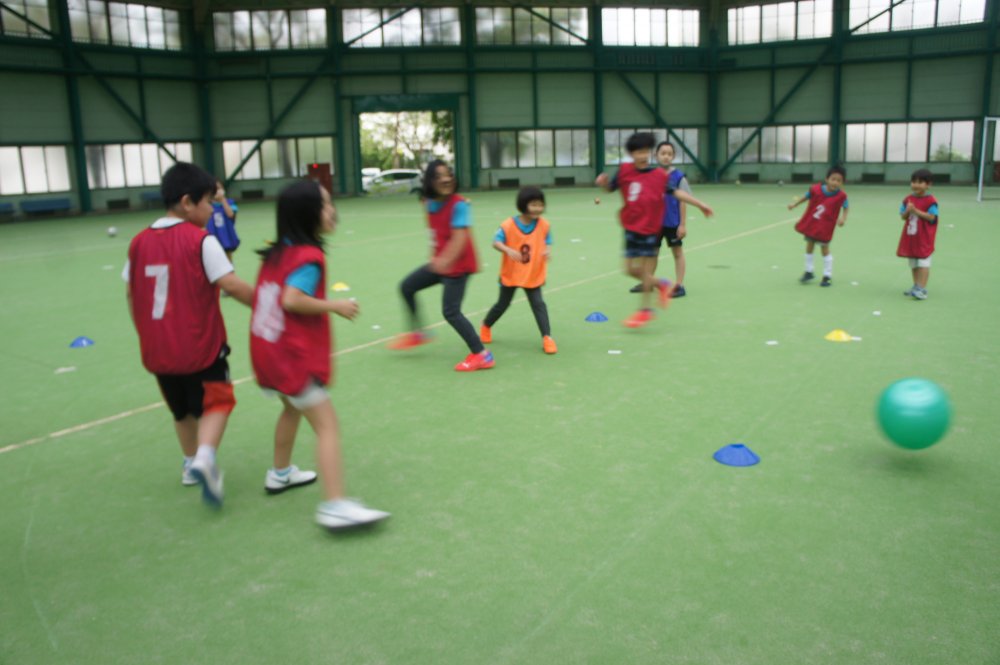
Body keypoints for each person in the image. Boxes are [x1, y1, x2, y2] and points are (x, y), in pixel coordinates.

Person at [250, 180, 389, 530]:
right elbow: (292, 299)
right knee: (327, 426)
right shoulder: (308, 258)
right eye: (325, 205)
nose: (332, 211)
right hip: (290, 357)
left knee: (291, 408)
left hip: (267, 351)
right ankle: (335, 505)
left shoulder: (276, 252)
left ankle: (280, 472)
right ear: (306, 213)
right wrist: (335, 305)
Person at [123, 162, 254, 508]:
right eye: (208, 202)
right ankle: (205, 457)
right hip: (200, 346)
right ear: (186, 202)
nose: (211, 209)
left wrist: (145, 332)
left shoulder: (138, 243)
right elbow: (230, 285)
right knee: (218, 402)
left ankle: (188, 463)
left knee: (181, 411)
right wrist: (266, 303)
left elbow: (131, 293)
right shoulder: (201, 241)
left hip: (157, 350)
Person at [595, 132, 714, 328]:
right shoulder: (624, 171)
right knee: (629, 269)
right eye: (638, 152)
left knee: (645, 268)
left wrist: (700, 204)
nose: (643, 156)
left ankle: (645, 310)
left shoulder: (658, 175)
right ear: (631, 154)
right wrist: (604, 184)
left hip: (650, 229)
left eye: (646, 151)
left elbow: (677, 193)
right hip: (631, 227)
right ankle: (661, 284)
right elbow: (611, 188)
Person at [389, 160, 494, 371]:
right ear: (429, 181)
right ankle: (419, 333)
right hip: (441, 262)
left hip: (458, 265)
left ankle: (482, 354)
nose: (446, 179)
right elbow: (434, 230)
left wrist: (443, 261)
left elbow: (459, 239)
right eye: (438, 176)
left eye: (448, 175)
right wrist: (435, 256)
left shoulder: (460, 205)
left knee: (451, 312)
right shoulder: (429, 203)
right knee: (407, 287)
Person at [480, 186, 557, 354]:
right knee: (502, 304)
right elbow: (496, 242)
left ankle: (547, 337)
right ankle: (486, 325)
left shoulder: (544, 225)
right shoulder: (508, 225)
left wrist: (547, 250)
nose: (537, 208)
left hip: (533, 273)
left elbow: (548, 239)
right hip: (512, 273)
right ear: (523, 204)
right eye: (533, 205)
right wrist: (507, 250)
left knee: (538, 304)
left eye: (540, 205)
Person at [630, 140, 697, 297]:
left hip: (672, 223)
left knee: (677, 253)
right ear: (656, 155)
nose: (666, 156)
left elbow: (683, 202)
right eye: (663, 153)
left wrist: (682, 224)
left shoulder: (679, 177)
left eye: (669, 154)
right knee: (651, 254)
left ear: (673, 157)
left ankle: (679, 286)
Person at [788, 165, 849, 287]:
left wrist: (843, 218)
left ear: (842, 183)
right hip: (812, 224)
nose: (835, 182)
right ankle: (809, 271)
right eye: (833, 179)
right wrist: (795, 204)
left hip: (825, 227)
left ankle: (827, 276)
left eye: (839, 180)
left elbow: (846, 207)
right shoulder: (816, 190)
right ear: (827, 179)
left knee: (824, 249)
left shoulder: (841, 196)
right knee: (809, 245)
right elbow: (806, 197)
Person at [897, 168, 939, 301]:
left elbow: (932, 217)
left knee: (924, 263)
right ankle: (916, 286)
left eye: (920, 182)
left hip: (924, 238)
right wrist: (908, 211)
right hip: (911, 237)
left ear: (928, 185)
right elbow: (903, 216)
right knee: (914, 263)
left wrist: (915, 211)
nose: (916, 185)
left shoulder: (931, 201)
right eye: (914, 181)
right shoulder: (907, 199)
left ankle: (922, 289)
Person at [207, 180, 240, 262]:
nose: (216, 191)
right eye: (213, 189)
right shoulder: (207, 205)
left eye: (219, 188)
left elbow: (230, 214)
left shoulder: (230, 203)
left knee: (228, 262)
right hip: (213, 239)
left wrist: (223, 200)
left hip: (226, 239)